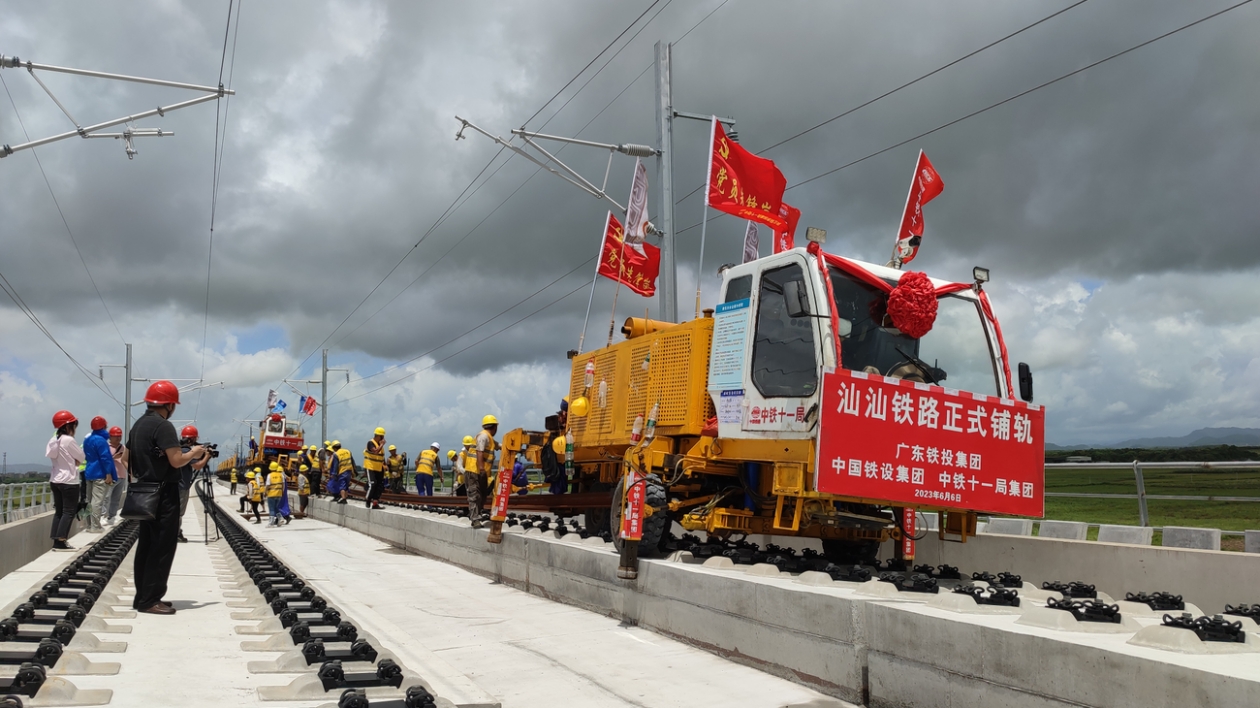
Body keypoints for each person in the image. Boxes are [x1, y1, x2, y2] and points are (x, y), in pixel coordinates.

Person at [128, 380, 207, 615]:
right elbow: (176, 460)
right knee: (162, 547)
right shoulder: (163, 426)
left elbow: (125, 460)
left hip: (145, 493)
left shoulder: (138, 425)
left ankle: (142, 596)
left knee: (146, 545)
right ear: (170, 405)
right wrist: (194, 452)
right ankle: (151, 599)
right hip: (164, 494)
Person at [45, 410, 85, 551]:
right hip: (69, 480)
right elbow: (81, 457)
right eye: (74, 425)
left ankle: (56, 540)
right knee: (69, 511)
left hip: (55, 480)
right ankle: (61, 541)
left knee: (59, 511)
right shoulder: (68, 440)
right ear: (68, 426)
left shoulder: (53, 440)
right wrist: (74, 460)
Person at [175, 425, 210, 543]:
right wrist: (207, 456)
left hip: (176, 485)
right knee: (179, 512)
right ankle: (176, 534)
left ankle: (174, 532)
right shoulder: (187, 451)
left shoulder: (179, 449)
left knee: (175, 511)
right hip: (182, 486)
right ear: (192, 439)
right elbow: (198, 466)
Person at [82, 416, 117, 533]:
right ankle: (95, 526)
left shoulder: (87, 440)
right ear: (104, 426)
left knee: (89, 501)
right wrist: (108, 473)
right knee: (97, 501)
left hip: (89, 472)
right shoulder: (101, 441)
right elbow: (105, 458)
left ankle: (89, 525)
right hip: (100, 473)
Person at [469, 415, 499, 528]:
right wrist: (482, 469)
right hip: (474, 470)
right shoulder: (483, 436)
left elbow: (498, 446)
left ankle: (477, 515)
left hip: (481, 472)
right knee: (475, 495)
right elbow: (479, 452)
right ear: (495, 427)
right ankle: (475, 519)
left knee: (482, 495)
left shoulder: (489, 438)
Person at [105, 426, 130, 525]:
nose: (118, 438)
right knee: (106, 497)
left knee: (116, 498)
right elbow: (104, 461)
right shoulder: (106, 447)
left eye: (119, 436)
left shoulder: (123, 448)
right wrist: (114, 457)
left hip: (121, 476)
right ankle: (103, 516)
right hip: (110, 477)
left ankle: (112, 516)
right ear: (110, 436)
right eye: (115, 436)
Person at [363, 427, 387, 510]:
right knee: (372, 484)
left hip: (379, 468)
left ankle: (375, 503)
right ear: (378, 436)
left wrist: (385, 465)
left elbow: (381, 456)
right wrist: (382, 444)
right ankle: (368, 499)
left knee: (379, 486)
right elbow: (375, 451)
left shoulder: (380, 446)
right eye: (382, 436)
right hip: (370, 467)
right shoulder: (371, 443)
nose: (383, 438)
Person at [265, 462, 285, 527]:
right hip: (279, 494)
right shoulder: (281, 475)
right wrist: (282, 491)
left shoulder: (269, 475)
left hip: (271, 494)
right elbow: (283, 484)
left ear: (270, 468)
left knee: (271, 509)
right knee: (275, 507)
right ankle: (280, 518)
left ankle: (271, 523)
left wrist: (265, 492)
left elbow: (268, 485)